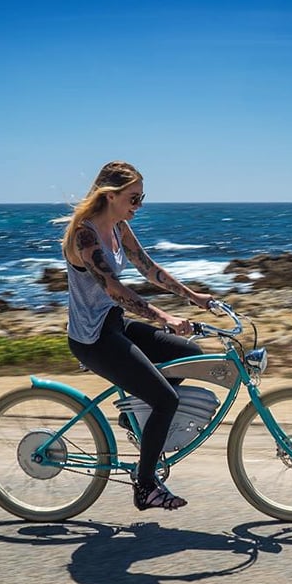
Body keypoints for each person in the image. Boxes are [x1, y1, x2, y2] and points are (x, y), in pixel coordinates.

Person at [61, 161, 212, 511]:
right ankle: (145, 487)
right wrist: (163, 317)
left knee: (187, 353)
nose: (139, 205)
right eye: (134, 197)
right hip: (92, 338)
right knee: (165, 400)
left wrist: (193, 297)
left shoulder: (119, 227)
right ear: (110, 195)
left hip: (115, 325)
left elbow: (149, 268)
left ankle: (137, 420)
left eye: (142, 198)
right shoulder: (85, 234)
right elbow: (113, 288)